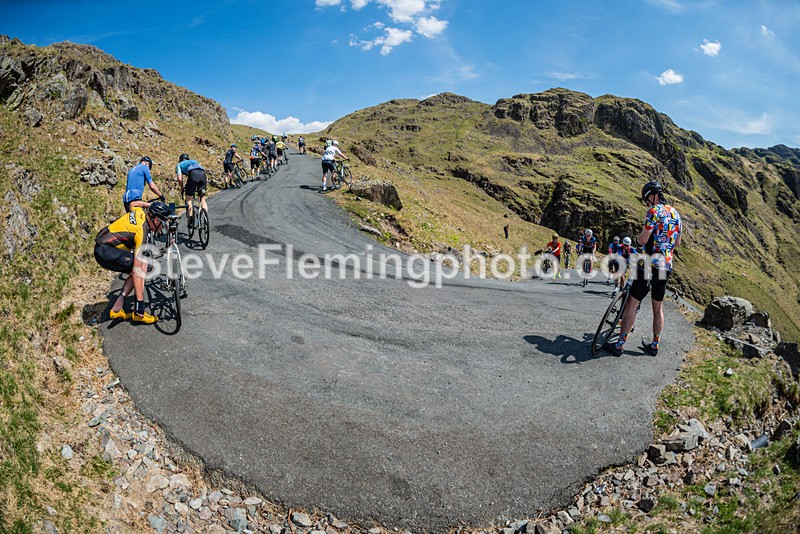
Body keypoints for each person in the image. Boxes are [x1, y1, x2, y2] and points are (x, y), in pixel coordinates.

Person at [604, 181, 682, 357]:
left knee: (633, 303)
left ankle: (620, 344)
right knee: (657, 307)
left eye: (647, 199)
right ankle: (655, 344)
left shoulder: (654, 212)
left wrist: (640, 241)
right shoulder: (676, 214)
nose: (647, 203)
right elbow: (677, 243)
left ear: (652, 196)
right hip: (665, 266)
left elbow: (643, 240)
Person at [94, 202, 172, 324]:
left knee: (145, 265)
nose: (164, 227)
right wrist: (141, 302)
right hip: (105, 251)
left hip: (104, 244)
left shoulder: (140, 212)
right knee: (140, 269)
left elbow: (133, 204)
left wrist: (148, 205)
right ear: (156, 221)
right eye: (163, 223)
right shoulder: (141, 232)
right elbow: (136, 270)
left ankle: (116, 309)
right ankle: (139, 313)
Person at [176, 153, 208, 228]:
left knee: (189, 198)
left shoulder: (179, 165)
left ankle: (190, 219)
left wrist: (182, 187)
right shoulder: (194, 161)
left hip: (193, 175)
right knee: (202, 198)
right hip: (203, 175)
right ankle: (205, 217)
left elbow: (180, 178)